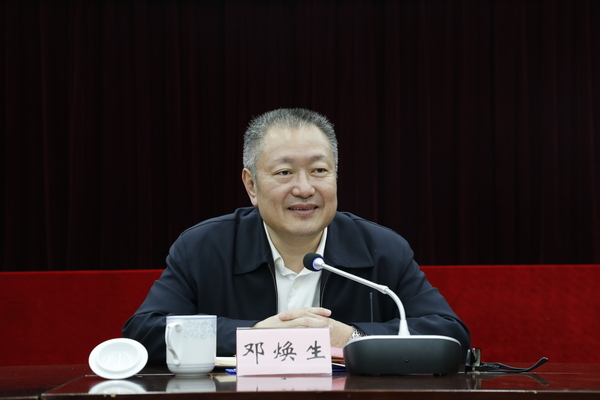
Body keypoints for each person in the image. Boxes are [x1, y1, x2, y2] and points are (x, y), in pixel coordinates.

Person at [122, 108, 470, 364]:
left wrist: (353, 337)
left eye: (319, 170)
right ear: (251, 185)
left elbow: (449, 334)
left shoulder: (381, 248)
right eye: (284, 172)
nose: (304, 188)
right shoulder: (203, 248)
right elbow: (145, 332)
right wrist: (255, 336)